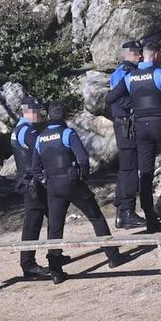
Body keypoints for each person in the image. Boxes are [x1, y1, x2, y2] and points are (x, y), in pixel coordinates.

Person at [32, 101, 127, 284]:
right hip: (72, 182)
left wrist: (46, 181)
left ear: (49, 116)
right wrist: (83, 177)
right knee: (96, 217)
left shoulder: (40, 138)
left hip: (52, 185)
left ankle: (55, 270)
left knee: (55, 226)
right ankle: (113, 256)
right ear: (64, 116)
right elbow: (83, 159)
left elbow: (36, 168)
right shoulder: (67, 133)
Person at [122, 40, 161, 229]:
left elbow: (111, 98)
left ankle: (150, 217)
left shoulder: (130, 77)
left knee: (146, 173)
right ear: (156, 55)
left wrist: (131, 105)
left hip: (140, 127)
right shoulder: (159, 73)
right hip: (160, 124)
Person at [11, 96, 57, 277]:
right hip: (33, 184)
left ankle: (55, 254)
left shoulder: (20, 129)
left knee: (53, 217)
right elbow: (43, 148)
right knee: (33, 224)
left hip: (31, 181)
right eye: (37, 111)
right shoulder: (28, 132)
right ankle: (28, 264)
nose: (40, 114)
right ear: (28, 111)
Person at [105, 40, 146, 230]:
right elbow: (119, 100)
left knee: (126, 167)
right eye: (137, 53)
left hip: (125, 124)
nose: (141, 56)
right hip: (126, 124)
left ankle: (122, 212)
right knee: (130, 168)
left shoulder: (123, 72)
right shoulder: (124, 73)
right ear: (129, 54)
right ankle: (127, 211)